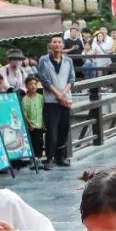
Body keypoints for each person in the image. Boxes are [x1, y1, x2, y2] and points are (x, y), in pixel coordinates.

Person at [36, 35, 74, 168]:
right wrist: (58, 95)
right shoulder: (44, 60)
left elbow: (71, 79)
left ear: (63, 45)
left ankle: (60, 157)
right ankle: (49, 157)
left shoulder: (68, 60)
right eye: (54, 42)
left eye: (59, 42)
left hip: (65, 99)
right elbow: (44, 79)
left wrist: (63, 95)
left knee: (64, 128)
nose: (57, 44)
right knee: (52, 130)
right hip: (51, 100)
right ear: (50, 45)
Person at [21, 75, 45, 163]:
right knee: (33, 142)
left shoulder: (41, 97)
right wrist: (29, 124)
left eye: (35, 84)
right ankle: (34, 159)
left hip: (40, 124)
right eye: (30, 84)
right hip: (31, 125)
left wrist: (44, 123)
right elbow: (24, 114)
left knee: (40, 142)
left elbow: (43, 110)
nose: (33, 86)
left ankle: (38, 159)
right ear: (26, 86)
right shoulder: (25, 99)